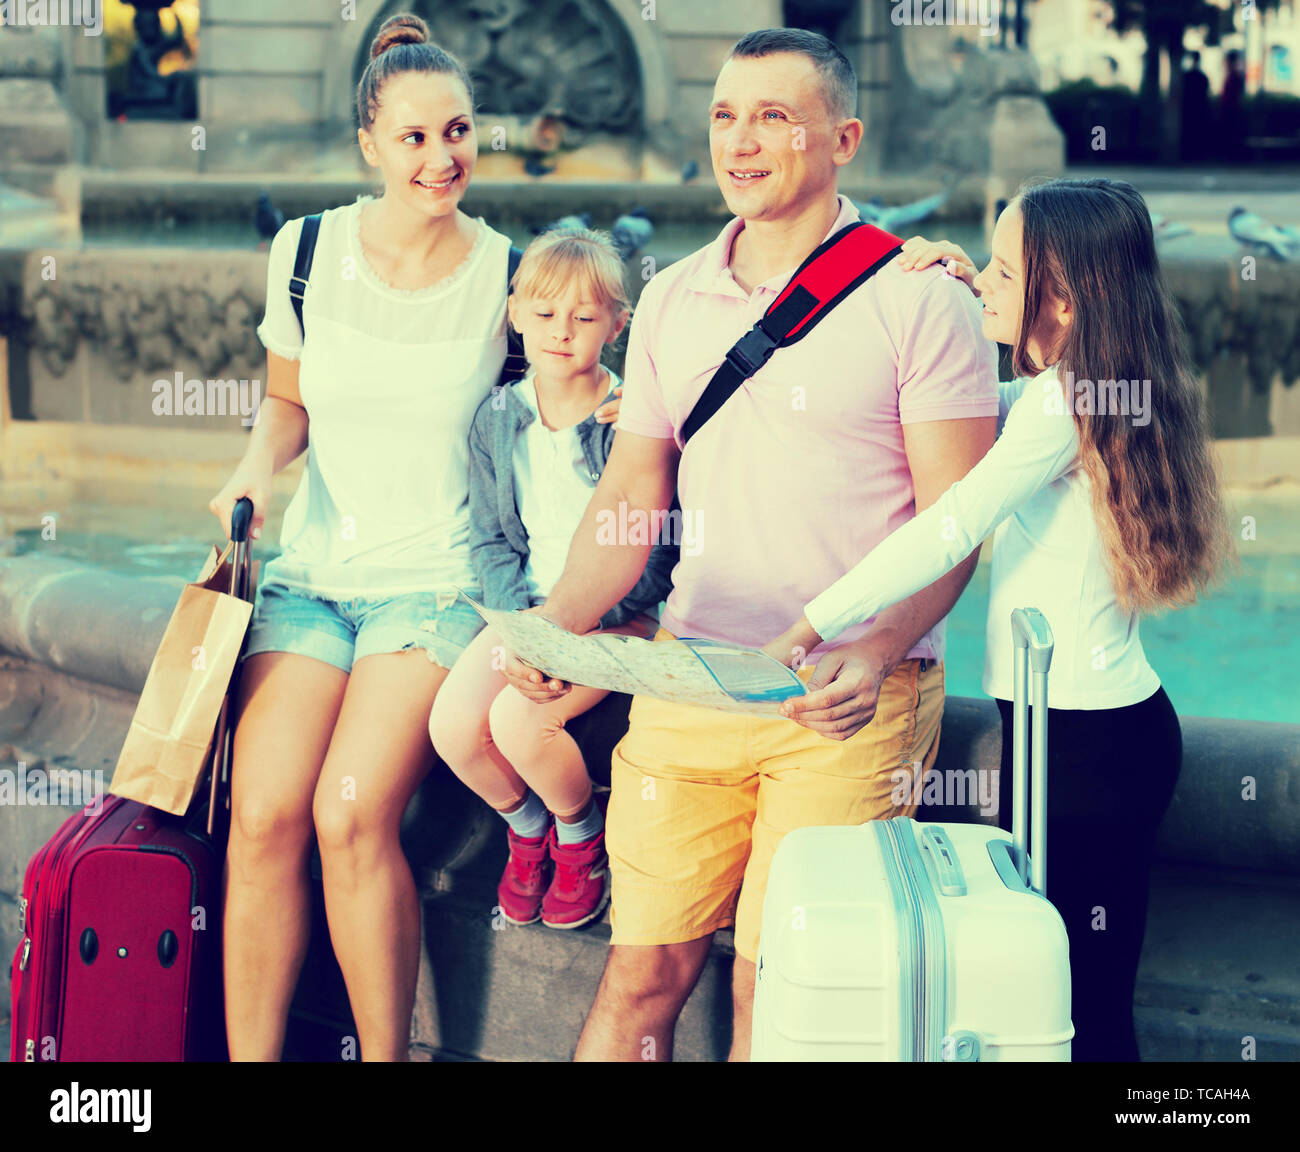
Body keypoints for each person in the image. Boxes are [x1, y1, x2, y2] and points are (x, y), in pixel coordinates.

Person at [501, 27, 1000, 1061]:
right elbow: (631, 490)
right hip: (690, 682)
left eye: (774, 115)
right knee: (640, 974)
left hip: (842, 702)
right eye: (725, 115)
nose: (740, 140)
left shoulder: (921, 296)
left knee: (777, 996)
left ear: (841, 137)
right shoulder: (676, 295)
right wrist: (559, 623)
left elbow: (960, 521)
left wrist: (873, 647)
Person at [207, 14, 619, 1061]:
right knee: (260, 816)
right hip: (310, 578)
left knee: (349, 815)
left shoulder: (510, 277)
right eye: (415, 138)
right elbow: (285, 407)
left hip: (434, 589)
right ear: (370, 145)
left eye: (459, 132)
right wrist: (254, 472)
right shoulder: (304, 252)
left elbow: (578, 418)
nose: (442, 159)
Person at [763, 178, 1232, 1062]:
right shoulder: (1093, 384)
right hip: (1101, 734)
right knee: (1081, 998)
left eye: (1004, 270)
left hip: (1082, 751)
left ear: (1060, 298)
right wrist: (966, 279)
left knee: (1075, 1009)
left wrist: (810, 623)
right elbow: (990, 416)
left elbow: (952, 522)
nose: (985, 280)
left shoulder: (1064, 405)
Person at [429, 227, 676, 932]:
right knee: (452, 725)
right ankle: (528, 823)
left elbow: (654, 548)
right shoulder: (498, 419)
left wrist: (584, 624)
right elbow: (493, 540)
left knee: (518, 720)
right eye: (542, 315)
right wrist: (518, 628)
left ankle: (580, 834)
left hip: (620, 616)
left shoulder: (628, 419)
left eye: (584, 317)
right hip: (533, 612)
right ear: (514, 314)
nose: (561, 333)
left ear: (617, 325)